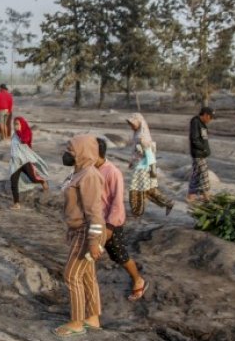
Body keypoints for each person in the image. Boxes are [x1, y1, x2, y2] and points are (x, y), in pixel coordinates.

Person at [53, 134, 105, 337]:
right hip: (79, 231)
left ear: (81, 152)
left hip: (87, 232)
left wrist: (94, 242)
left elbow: (95, 213)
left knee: (71, 275)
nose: (67, 154)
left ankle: (76, 322)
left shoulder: (90, 176)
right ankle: (93, 317)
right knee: (87, 275)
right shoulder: (80, 173)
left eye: (70, 150)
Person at [95, 137, 148, 302]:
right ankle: (86, 289)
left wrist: (109, 227)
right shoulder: (89, 169)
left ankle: (138, 279)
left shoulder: (112, 172)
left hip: (111, 223)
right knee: (88, 255)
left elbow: (117, 202)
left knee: (119, 255)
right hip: (94, 221)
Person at [126, 113, 174, 217]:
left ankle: (137, 213)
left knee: (137, 191)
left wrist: (153, 172)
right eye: (130, 124)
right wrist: (132, 162)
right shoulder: (138, 134)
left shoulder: (142, 137)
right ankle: (168, 203)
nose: (131, 126)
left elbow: (150, 155)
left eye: (132, 123)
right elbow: (137, 151)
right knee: (148, 190)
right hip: (140, 166)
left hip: (143, 168)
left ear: (138, 122)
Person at [9, 116, 48, 210]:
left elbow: (24, 141)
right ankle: (16, 203)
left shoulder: (27, 132)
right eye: (14, 124)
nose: (15, 126)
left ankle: (42, 181)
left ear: (22, 124)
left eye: (17, 124)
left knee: (33, 178)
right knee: (13, 182)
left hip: (25, 161)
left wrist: (18, 131)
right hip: (15, 162)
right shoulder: (14, 134)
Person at [189, 107, 215, 203]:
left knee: (197, 174)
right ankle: (206, 195)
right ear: (205, 115)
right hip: (198, 153)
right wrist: (203, 149)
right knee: (203, 174)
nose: (210, 120)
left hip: (201, 153)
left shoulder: (201, 123)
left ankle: (191, 196)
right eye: (210, 117)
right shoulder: (196, 122)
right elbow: (194, 139)